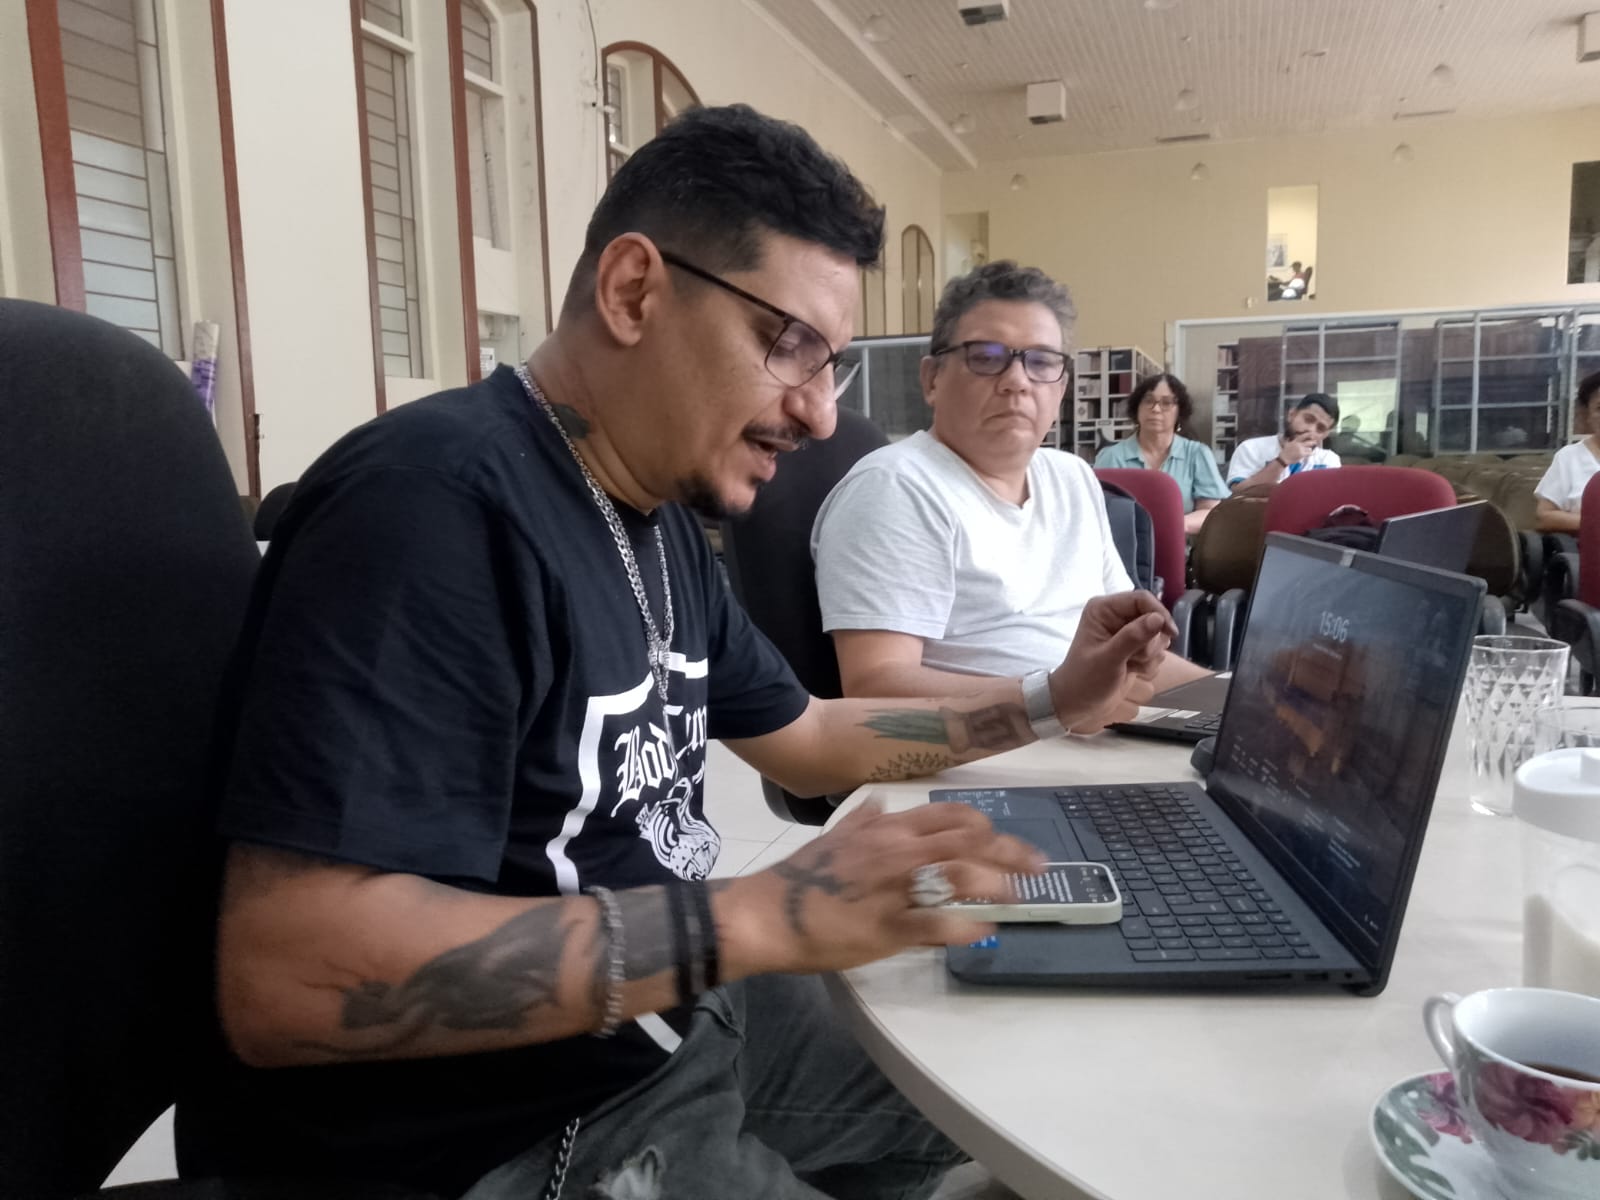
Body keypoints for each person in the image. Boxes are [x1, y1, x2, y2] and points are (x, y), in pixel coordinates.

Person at [178, 106, 1174, 1200]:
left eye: (834, 367)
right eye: (787, 346)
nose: (819, 414)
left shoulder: (652, 520)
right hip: (497, 1128)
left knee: (1009, 1086)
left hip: (662, 1019)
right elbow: (290, 977)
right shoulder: (434, 509)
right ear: (633, 291)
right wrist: (759, 915)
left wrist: (1047, 701)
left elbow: (807, 737)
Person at [810, 260, 1209, 716]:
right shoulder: (896, 488)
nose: (1017, 381)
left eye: (1041, 362)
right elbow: (875, 686)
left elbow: (1130, 662)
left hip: (1094, 733)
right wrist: (1054, 702)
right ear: (932, 379)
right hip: (995, 751)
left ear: (1061, 389)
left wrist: (1232, 699)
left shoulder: (1073, 478)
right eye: (985, 357)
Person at [1094, 372, 1229, 533]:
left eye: (1166, 403)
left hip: (1182, 545)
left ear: (1179, 411)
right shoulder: (1111, 457)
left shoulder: (1197, 454)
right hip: (1125, 545)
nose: (1156, 409)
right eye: (1148, 401)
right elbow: (1096, 511)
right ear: (1137, 408)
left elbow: (1211, 511)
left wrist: (1175, 526)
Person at [1226, 392, 1341, 491]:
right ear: (1292, 415)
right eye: (1308, 419)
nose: (1311, 429)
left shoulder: (1328, 460)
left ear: (1325, 435)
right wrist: (1282, 461)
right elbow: (1238, 494)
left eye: (1320, 428)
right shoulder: (1251, 448)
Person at [1535, 370, 1600, 532]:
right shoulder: (1569, 458)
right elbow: (1544, 517)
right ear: (1586, 415)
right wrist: (1592, 524)